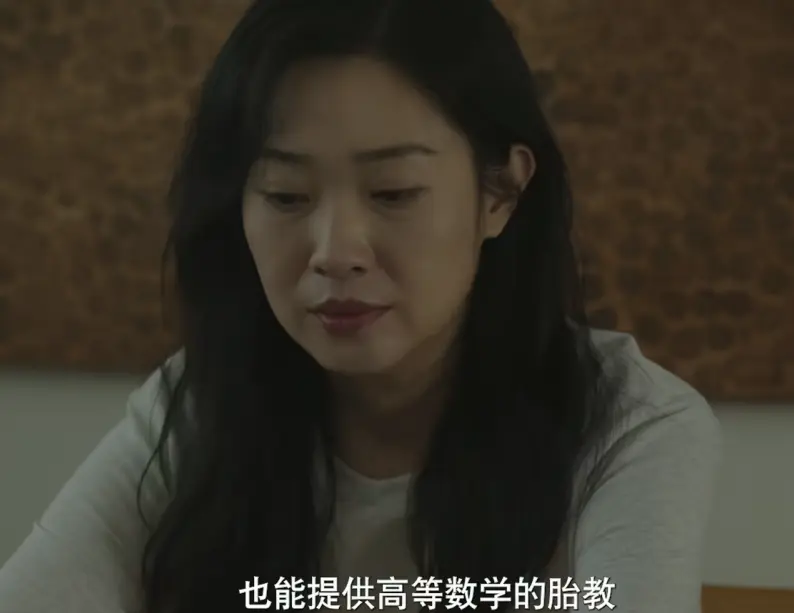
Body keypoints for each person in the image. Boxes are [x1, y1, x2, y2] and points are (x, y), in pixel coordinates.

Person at [0, 0, 721, 611]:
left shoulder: (628, 424)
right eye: (286, 195)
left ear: (500, 192)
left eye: (392, 193)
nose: (335, 251)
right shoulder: (202, 404)